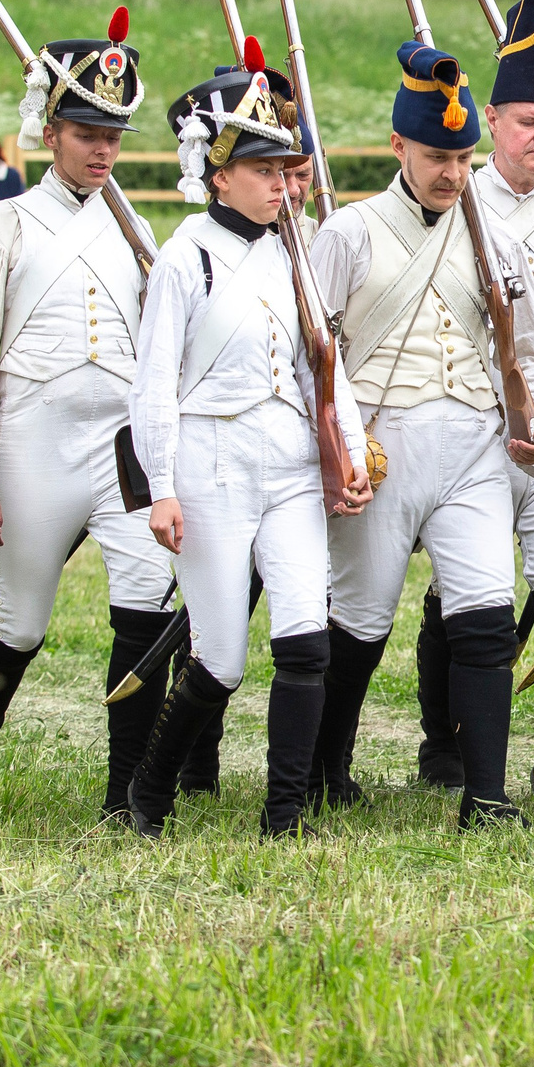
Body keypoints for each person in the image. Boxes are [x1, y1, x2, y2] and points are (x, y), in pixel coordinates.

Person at [306, 37, 534, 827]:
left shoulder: (495, 236)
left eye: (462, 155)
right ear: (397, 146)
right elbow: (312, 352)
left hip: (473, 444)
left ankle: (485, 793)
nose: (452, 171)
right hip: (382, 445)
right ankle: (322, 770)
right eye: (435, 155)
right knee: (361, 619)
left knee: (485, 611)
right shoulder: (350, 233)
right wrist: (334, 446)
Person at [0, 8, 174, 818]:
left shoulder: (136, 228)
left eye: (112, 133)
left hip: (123, 449)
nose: (101, 148)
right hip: (35, 441)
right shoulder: (4, 224)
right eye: (84, 131)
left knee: (146, 602)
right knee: (20, 622)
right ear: (49, 131)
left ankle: (128, 796)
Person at [121, 61, 370, 839]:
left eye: (285, 169)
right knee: (221, 658)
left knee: (305, 640)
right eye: (263, 170)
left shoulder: (291, 250)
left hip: (290, 465)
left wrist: (351, 451)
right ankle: (149, 793)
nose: (282, 185)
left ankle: (284, 813)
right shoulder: (184, 255)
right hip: (212, 467)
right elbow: (154, 384)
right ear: (219, 174)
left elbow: (322, 366)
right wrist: (161, 485)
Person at [413, 0, 534, 792]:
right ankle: (443, 744)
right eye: (527, 122)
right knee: (462, 595)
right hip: (474, 429)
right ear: (492, 119)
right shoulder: (457, 199)